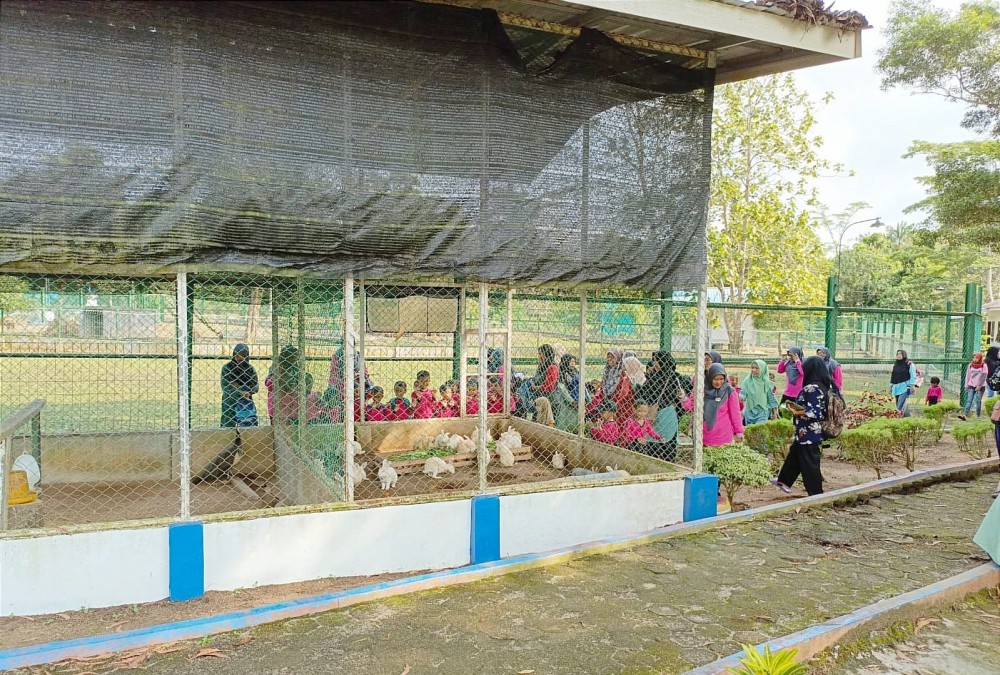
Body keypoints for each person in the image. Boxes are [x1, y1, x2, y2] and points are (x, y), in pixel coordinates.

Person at [773, 355, 830, 496]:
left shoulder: (812, 388)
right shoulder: (822, 386)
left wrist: (795, 411)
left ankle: (816, 493)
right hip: (808, 432)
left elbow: (813, 412)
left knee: (810, 463)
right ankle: (784, 481)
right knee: (795, 454)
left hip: (808, 432)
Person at [682, 363, 744, 447]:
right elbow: (691, 406)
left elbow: (735, 414)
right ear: (710, 378)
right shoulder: (701, 391)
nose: (718, 382)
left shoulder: (730, 392)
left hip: (724, 437)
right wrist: (683, 399)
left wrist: (739, 432)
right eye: (715, 379)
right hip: (704, 437)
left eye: (721, 379)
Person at [643, 351, 686, 461]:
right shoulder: (676, 377)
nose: (654, 364)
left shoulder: (653, 379)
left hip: (657, 415)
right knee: (666, 446)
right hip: (669, 415)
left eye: (656, 361)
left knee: (653, 446)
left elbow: (644, 395)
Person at [588, 349, 636, 423]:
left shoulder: (622, 373)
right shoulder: (607, 371)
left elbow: (622, 392)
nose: (610, 359)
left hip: (620, 404)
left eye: (612, 357)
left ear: (618, 358)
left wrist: (613, 405)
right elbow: (602, 390)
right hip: (607, 402)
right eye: (608, 357)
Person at [220, 343, 259, 428]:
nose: (239, 358)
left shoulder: (250, 369)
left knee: (248, 426)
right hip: (230, 402)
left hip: (246, 402)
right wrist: (240, 391)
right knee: (228, 425)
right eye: (237, 355)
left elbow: (255, 386)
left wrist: (248, 391)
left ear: (246, 356)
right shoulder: (227, 368)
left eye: (243, 356)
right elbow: (226, 386)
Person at [518, 344, 560, 417]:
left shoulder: (552, 367)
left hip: (550, 401)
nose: (539, 356)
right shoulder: (542, 365)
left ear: (546, 354)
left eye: (541, 354)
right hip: (539, 399)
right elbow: (538, 378)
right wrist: (530, 380)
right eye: (539, 354)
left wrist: (535, 387)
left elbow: (549, 387)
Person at [742, 359, 778, 425]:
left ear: (762, 370)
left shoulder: (766, 383)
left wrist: (774, 413)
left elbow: (771, 398)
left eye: (757, 368)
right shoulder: (747, 381)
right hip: (749, 411)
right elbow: (743, 393)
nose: (753, 370)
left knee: (759, 431)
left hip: (762, 412)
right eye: (752, 368)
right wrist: (740, 397)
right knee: (750, 432)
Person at [959, 352, 989, 420]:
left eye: (976, 358)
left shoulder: (984, 365)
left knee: (978, 401)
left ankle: (978, 416)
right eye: (974, 357)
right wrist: (966, 385)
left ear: (980, 358)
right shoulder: (970, 365)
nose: (975, 359)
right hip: (971, 385)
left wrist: (979, 385)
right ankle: (965, 415)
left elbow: (984, 376)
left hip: (980, 386)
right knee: (969, 400)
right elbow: (968, 376)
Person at [890, 350, 918, 415]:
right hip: (896, 387)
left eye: (900, 354)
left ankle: (900, 418)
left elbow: (913, 374)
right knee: (899, 405)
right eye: (897, 354)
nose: (899, 355)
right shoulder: (896, 364)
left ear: (904, 355)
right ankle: (905, 418)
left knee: (900, 405)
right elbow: (893, 375)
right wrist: (891, 386)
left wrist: (912, 385)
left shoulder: (909, 364)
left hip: (905, 387)